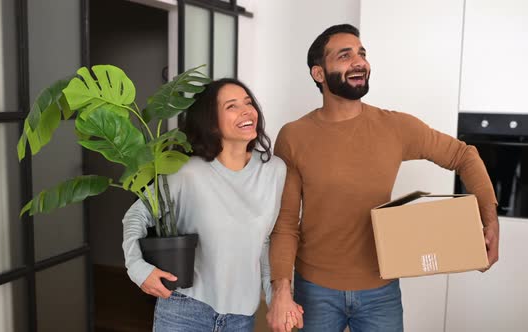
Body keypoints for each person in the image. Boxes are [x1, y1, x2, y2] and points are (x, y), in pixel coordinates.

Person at [266, 24, 500, 332]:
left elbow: (464, 155)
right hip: (315, 289)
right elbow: (285, 224)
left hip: (381, 290)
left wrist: (489, 217)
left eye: (362, 54)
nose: (359, 62)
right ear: (318, 74)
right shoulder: (294, 136)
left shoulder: (395, 127)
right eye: (345, 55)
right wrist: (281, 289)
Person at [122, 78, 289, 331]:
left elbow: (264, 241)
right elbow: (136, 216)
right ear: (211, 122)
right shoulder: (186, 171)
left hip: (241, 317)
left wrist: (276, 296)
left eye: (248, 102)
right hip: (184, 310)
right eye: (231, 106)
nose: (247, 111)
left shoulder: (274, 171)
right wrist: (137, 268)